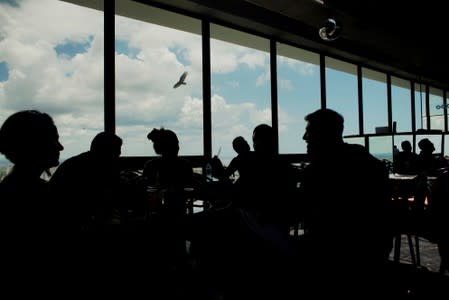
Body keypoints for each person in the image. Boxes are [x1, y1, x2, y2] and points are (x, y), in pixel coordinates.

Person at [298, 108, 393, 296]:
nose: (304, 137)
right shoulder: (367, 162)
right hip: (373, 254)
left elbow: (304, 214)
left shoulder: (317, 172)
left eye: (309, 131)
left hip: (331, 258)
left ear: (323, 134)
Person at [0, 110, 64, 231]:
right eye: (54, 140)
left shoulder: (10, 188)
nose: (61, 147)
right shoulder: (41, 197)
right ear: (35, 145)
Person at [49, 131, 123, 231]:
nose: (117, 157)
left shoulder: (80, 163)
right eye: (116, 153)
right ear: (107, 152)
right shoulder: (89, 167)